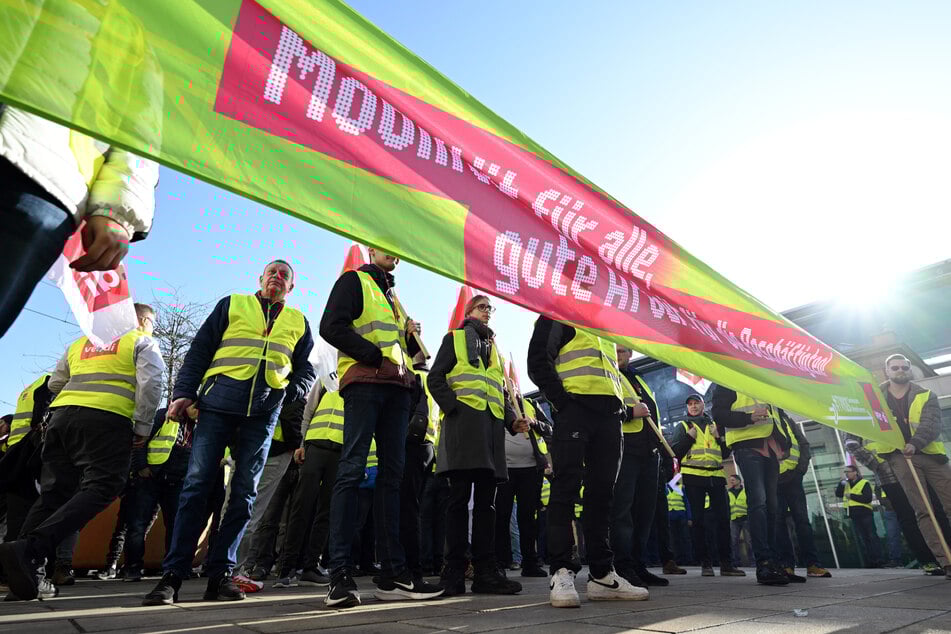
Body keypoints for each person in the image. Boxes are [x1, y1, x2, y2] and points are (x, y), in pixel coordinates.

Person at [143, 260, 316, 605]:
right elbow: (200, 350)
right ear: (261, 278)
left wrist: (286, 393)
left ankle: (220, 575)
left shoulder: (299, 322)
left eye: (284, 276)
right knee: (196, 487)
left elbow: (306, 370)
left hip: (263, 416)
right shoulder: (233, 304)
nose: (277, 278)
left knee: (244, 495)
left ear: (291, 288)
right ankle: (172, 576)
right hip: (217, 406)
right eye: (272, 272)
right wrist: (183, 393)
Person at [0, 303, 164, 601]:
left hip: (62, 422)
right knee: (104, 486)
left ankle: (27, 576)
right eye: (152, 322)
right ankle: (31, 550)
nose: (152, 327)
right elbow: (152, 383)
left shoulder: (82, 342)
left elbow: (55, 383)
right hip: (108, 420)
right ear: (141, 320)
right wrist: (142, 426)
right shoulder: (141, 340)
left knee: (54, 494)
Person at [319, 248, 443, 607]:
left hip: (397, 389)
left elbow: (397, 348)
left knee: (394, 479)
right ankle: (339, 574)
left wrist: (408, 340)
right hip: (365, 383)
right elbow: (331, 327)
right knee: (352, 470)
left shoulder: (394, 298)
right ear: (372, 249)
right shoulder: (355, 281)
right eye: (388, 248)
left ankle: (392, 574)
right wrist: (372, 355)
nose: (396, 256)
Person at [0, 105, 159, 337]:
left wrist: (118, 212)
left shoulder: (81, 347)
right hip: (45, 179)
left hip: (42, 173)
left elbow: (142, 129)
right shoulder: (139, 346)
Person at [527, 317, 648, 608]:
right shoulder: (555, 316)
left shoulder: (604, 328)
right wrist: (563, 403)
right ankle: (561, 571)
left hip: (609, 418)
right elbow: (537, 362)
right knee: (566, 488)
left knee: (602, 495)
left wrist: (619, 413)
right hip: (575, 410)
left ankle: (603, 576)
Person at [429, 294, 527, 596]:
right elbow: (436, 379)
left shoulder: (494, 350)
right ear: (469, 311)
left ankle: (486, 572)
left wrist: (512, 420)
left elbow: (499, 390)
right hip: (463, 428)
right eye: (482, 307)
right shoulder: (455, 338)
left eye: (490, 309)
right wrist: (455, 408)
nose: (488, 312)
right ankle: (454, 573)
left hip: (491, 432)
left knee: (488, 504)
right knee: (458, 500)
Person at [877, 354, 951, 579]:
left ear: (909, 369)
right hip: (900, 458)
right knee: (923, 510)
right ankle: (946, 561)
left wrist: (914, 443)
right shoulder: (874, 398)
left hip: (931, 456)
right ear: (886, 371)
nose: (900, 370)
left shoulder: (926, 394)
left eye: (904, 367)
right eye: (895, 367)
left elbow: (932, 425)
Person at [712, 387, 790, 585]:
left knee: (772, 506)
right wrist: (748, 417)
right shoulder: (725, 381)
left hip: (770, 445)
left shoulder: (757, 380)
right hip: (747, 445)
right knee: (759, 503)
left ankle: (774, 562)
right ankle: (764, 562)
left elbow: (777, 415)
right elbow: (719, 414)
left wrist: (784, 442)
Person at [611, 349, 673, 587]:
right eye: (616, 350)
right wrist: (629, 413)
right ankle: (622, 566)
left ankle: (638, 564)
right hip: (625, 450)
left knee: (645, 514)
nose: (620, 354)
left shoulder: (639, 379)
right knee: (623, 511)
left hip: (649, 452)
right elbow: (602, 408)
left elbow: (653, 417)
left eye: (624, 350)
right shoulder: (609, 375)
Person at [845, 434, 949, 575]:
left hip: (914, 467)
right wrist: (877, 465)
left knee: (934, 510)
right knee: (908, 516)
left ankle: (945, 554)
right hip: (890, 475)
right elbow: (851, 443)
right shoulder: (855, 414)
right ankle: (927, 560)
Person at [272, 382, 342, 587]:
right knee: (301, 507)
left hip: (340, 451)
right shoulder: (325, 378)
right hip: (314, 447)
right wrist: (300, 445)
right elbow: (307, 412)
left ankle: (310, 566)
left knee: (326, 511)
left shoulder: (357, 382)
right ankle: (287, 568)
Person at [670, 394, 745, 578]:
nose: (693, 407)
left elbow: (727, 452)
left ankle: (726, 564)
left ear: (704, 405)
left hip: (717, 477)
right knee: (699, 522)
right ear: (687, 408)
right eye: (690, 404)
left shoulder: (715, 426)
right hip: (694, 478)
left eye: (697, 403)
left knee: (722, 521)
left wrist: (719, 438)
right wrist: (688, 438)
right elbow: (674, 453)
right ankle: (705, 564)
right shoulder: (683, 426)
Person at [235, 392, 305, 576]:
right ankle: (244, 568)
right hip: (277, 452)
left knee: (261, 515)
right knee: (261, 514)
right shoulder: (292, 389)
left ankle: (243, 566)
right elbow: (291, 417)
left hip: (266, 451)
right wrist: (296, 443)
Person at [123, 405, 195, 582]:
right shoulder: (164, 415)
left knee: (176, 525)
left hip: (177, 480)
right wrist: (141, 467)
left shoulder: (199, 426)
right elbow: (140, 440)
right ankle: (132, 568)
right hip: (150, 477)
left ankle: (173, 568)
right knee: (138, 524)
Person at [494, 394, 551, 579]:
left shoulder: (531, 404)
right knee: (501, 516)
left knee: (528, 518)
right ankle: (500, 563)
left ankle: (530, 563)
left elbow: (550, 429)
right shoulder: (495, 402)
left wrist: (534, 422)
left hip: (531, 469)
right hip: (504, 469)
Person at [774, 413, 830, 580]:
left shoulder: (786, 419)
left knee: (802, 521)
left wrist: (800, 469)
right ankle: (787, 565)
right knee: (779, 523)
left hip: (793, 477)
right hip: (774, 480)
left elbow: (803, 444)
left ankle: (813, 564)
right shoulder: (763, 419)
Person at [400, 352, 440, 584]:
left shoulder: (413, 377)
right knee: (423, 511)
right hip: (429, 447)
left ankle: (412, 565)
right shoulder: (434, 380)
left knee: (410, 507)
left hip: (412, 444)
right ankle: (426, 562)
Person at [835, 465, 882, 567]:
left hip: (864, 513)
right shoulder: (846, 484)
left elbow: (867, 498)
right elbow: (838, 494)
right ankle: (870, 561)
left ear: (855, 472)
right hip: (854, 514)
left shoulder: (864, 483)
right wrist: (840, 484)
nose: (847, 474)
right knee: (863, 538)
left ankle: (878, 559)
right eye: (845, 472)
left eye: (849, 471)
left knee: (871, 536)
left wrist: (851, 496)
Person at [727, 475, 752, 568]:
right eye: (730, 480)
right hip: (734, 519)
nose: (731, 482)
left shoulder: (745, 491)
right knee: (733, 541)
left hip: (745, 518)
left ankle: (753, 562)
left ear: (739, 480)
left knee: (749, 541)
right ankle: (736, 562)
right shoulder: (728, 492)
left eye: (733, 480)